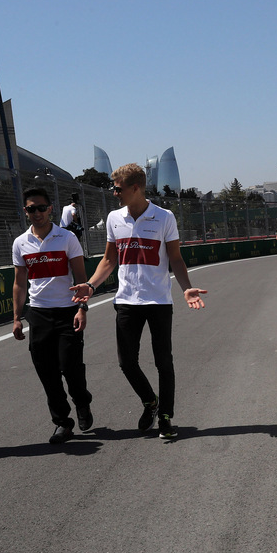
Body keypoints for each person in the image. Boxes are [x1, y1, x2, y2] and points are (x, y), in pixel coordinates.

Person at [72, 163, 206, 440]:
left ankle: (166, 417)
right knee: (126, 363)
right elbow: (109, 261)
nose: (114, 192)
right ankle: (150, 401)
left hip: (158, 301)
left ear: (135, 188)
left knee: (163, 362)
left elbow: (176, 259)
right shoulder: (114, 219)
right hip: (126, 301)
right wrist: (91, 285)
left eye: (118, 188)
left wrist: (187, 288)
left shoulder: (164, 217)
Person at [12, 187, 93, 443]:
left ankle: (82, 401)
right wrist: (16, 317)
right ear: (26, 212)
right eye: (30, 209)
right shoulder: (20, 242)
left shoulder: (67, 238)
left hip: (67, 311)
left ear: (50, 209)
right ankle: (62, 422)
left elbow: (81, 277)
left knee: (70, 366)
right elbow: (19, 283)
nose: (36, 213)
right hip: (38, 314)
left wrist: (82, 308)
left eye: (40, 208)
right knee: (47, 372)